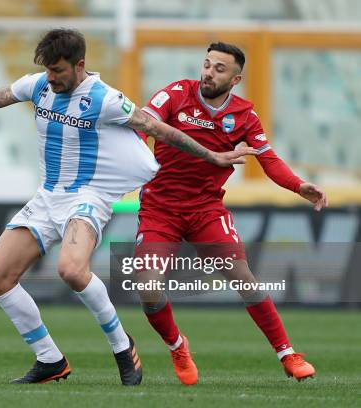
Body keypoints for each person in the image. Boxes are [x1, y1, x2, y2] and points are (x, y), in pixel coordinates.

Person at [0, 29, 255, 384]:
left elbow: (160, 130)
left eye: (58, 71)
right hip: (47, 197)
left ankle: (121, 347)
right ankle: (50, 360)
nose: (51, 78)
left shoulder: (105, 98)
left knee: (70, 269)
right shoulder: (39, 85)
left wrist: (212, 155)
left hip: (87, 198)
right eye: (48, 70)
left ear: (80, 65)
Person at [135, 42, 327, 385]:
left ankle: (287, 354)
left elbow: (268, 159)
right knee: (149, 290)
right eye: (207, 64)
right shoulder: (176, 94)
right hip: (159, 209)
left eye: (219, 69)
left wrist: (299, 186)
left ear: (235, 79)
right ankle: (177, 345)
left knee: (245, 279)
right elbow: (141, 125)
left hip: (206, 209)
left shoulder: (245, 116)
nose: (208, 72)